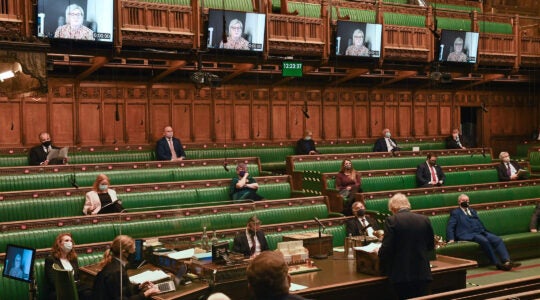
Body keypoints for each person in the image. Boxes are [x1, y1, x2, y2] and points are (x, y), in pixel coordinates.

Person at [377, 193, 434, 299]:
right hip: (422, 272)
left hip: (401, 275)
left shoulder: (392, 220)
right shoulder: (424, 219)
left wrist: (379, 255)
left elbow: (387, 248)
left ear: (393, 208)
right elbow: (430, 246)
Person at [446, 194, 521, 271]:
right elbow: (450, 226)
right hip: (467, 234)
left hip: (481, 231)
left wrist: (483, 230)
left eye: (467, 201)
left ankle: (507, 261)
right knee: (485, 241)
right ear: (459, 202)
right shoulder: (455, 212)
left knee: (497, 239)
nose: (465, 202)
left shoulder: (472, 211)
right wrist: (451, 238)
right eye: (463, 200)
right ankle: (497, 264)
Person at [93, 235, 160, 300]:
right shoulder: (117, 272)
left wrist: (139, 287)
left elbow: (121, 290)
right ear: (124, 252)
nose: (134, 253)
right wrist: (147, 293)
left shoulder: (113, 263)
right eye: (133, 250)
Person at [44, 233, 92, 300]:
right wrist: (73, 285)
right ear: (59, 244)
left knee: (88, 293)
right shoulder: (51, 260)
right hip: (58, 291)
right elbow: (53, 282)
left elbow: (77, 277)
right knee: (88, 287)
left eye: (71, 241)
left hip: (76, 288)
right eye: (66, 241)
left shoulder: (73, 259)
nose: (69, 243)